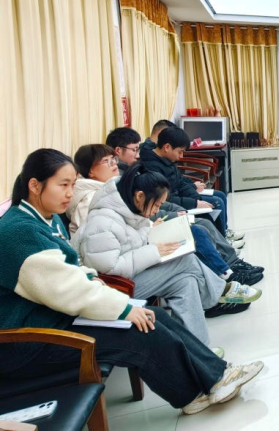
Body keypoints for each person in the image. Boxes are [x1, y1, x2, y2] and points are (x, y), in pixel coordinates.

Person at [0, 149, 264, 415]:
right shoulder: (19, 233)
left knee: (156, 315)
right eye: (63, 185)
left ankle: (212, 380)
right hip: (31, 343)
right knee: (140, 331)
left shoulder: (46, 219)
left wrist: (100, 286)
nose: (70, 193)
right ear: (35, 185)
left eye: (73, 184)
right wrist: (123, 308)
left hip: (57, 319)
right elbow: (68, 290)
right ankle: (203, 388)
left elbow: (73, 269)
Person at [73, 166, 261, 342]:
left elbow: (131, 241)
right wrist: (153, 252)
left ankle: (196, 351)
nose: (157, 210)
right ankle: (221, 291)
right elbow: (109, 268)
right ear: (139, 196)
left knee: (186, 282)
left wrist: (152, 232)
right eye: (157, 205)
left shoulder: (129, 207)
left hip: (133, 276)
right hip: (114, 288)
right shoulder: (103, 222)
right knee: (185, 260)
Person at [108, 127, 261, 279]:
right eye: (134, 150)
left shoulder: (133, 171)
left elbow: (164, 195)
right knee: (200, 226)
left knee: (206, 218)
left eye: (138, 149)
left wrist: (192, 199)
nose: (138, 154)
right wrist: (184, 209)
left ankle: (230, 264)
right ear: (118, 151)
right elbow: (150, 206)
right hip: (150, 228)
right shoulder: (122, 180)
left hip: (157, 218)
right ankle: (227, 271)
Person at [141, 127, 233, 236]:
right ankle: (222, 237)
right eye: (180, 152)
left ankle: (224, 234)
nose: (181, 156)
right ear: (167, 147)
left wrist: (196, 197)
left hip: (180, 198)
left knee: (220, 196)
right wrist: (195, 203)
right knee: (217, 203)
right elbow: (167, 199)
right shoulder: (152, 168)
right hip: (174, 204)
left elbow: (179, 181)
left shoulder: (166, 159)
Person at [68, 144, 119, 236]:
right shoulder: (88, 198)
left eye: (113, 158)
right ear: (91, 171)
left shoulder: (108, 190)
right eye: (106, 161)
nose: (114, 163)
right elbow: (90, 235)